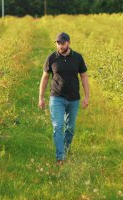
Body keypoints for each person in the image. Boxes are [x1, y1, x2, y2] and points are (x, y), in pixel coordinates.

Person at [38, 32, 90, 166]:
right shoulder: (51, 58)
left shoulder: (78, 58)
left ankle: (65, 149)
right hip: (56, 98)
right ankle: (60, 157)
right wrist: (41, 98)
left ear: (68, 42)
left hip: (74, 99)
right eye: (58, 43)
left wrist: (87, 97)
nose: (60, 45)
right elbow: (44, 78)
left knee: (70, 128)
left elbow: (84, 77)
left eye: (62, 43)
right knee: (58, 126)